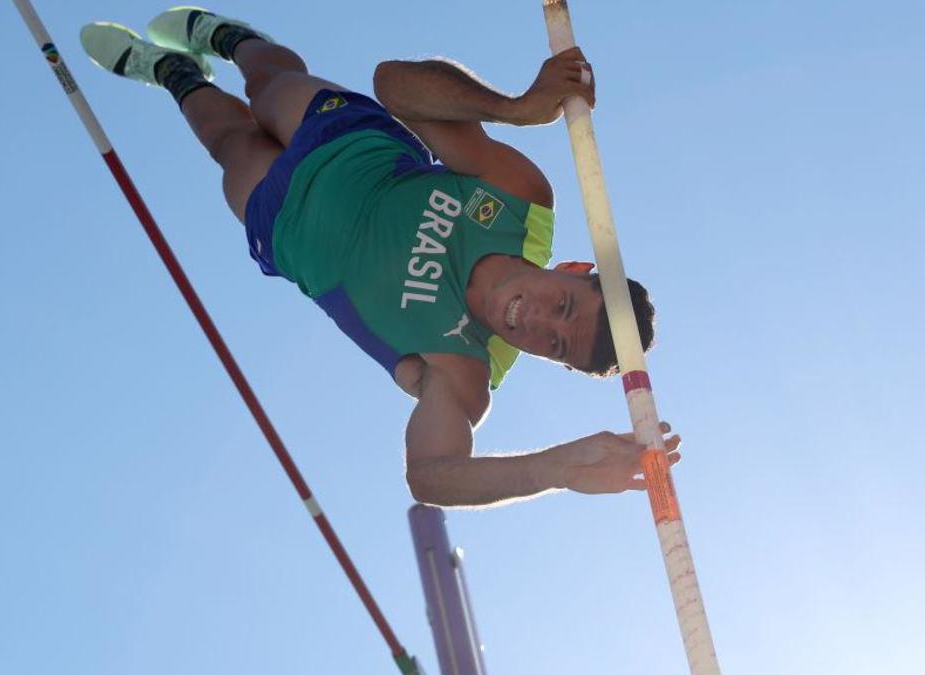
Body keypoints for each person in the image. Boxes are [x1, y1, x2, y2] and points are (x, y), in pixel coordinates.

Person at [79, 7, 681, 508]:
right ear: (573, 270)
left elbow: (431, 475)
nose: (538, 323)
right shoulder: (519, 202)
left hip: (290, 227)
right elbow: (395, 84)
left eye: (555, 344)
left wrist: (554, 468)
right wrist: (516, 109)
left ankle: (175, 73)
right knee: (267, 87)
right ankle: (232, 40)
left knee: (230, 141)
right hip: (350, 144)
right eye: (564, 307)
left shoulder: (464, 371)